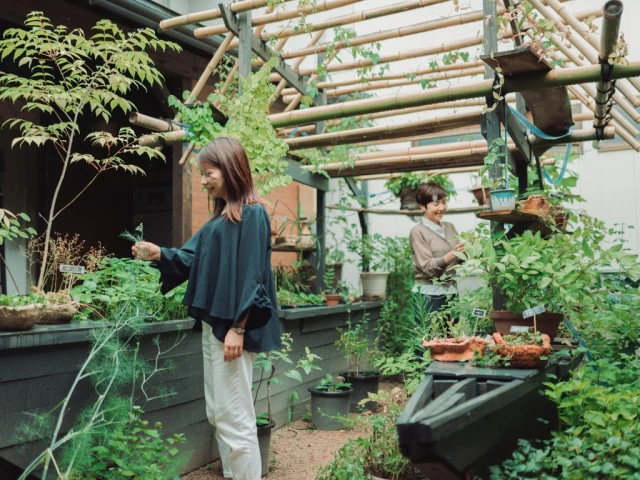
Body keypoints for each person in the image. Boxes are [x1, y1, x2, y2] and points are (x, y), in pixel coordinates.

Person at [132, 137, 280, 480]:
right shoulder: (218, 221)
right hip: (217, 327)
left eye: (207, 173)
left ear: (229, 168)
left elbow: (254, 276)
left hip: (233, 330)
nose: (202, 181)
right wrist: (157, 254)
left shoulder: (253, 214)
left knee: (234, 414)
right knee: (218, 412)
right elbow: (191, 259)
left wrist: (239, 327)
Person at [409, 182, 465, 325]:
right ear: (422, 206)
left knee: (451, 338)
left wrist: (468, 251)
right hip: (429, 295)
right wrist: (452, 255)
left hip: (451, 291)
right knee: (431, 340)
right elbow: (427, 267)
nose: (441, 208)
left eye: (444, 202)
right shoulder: (418, 232)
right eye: (436, 204)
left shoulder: (449, 227)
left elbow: (459, 260)